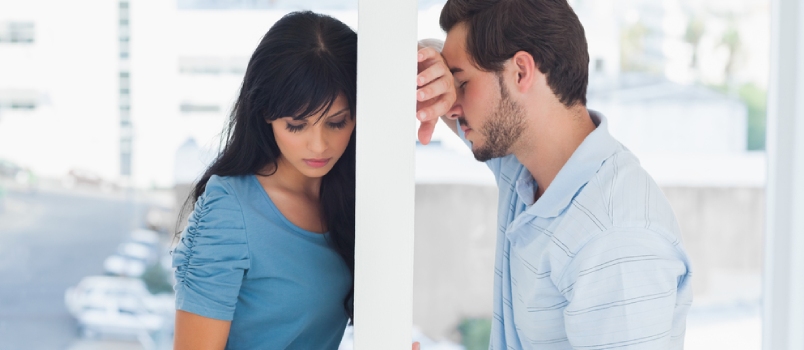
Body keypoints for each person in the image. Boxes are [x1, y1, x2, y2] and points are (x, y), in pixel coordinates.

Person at [414, 0, 693, 348]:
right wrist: (432, 70)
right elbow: (429, 54)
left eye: (462, 84)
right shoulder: (523, 167)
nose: (452, 105)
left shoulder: (614, 238)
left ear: (520, 72)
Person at [172, 11, 357, 349]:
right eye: (297, 126)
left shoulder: (351, 198)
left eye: (337, 122)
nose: (319, 145)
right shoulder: (229, 210)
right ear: (265, 114)